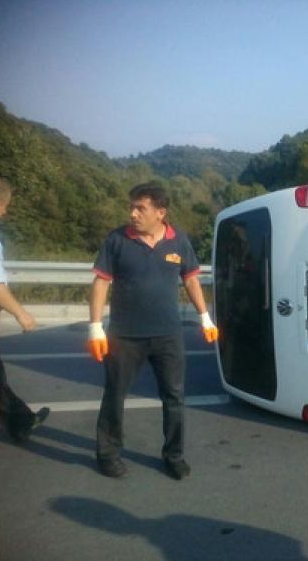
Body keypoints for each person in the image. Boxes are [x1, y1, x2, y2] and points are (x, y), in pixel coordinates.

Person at [87, 182, 218, 480]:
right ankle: (107, 454)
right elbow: (100, 283)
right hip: (124, 335)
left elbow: (192, 280)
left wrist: (205, 317)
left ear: (160, 212)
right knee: (115, 395)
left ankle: (174, 455)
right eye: (131, 207)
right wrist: (95, 327)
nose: (133, 213)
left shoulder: (179, 242)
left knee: (174, 397)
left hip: (167, 335)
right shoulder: (117, 240)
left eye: (140, 208)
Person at [0, 176, 50, 442]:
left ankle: (20, 420)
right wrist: (20, 312)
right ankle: (20, 421)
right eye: (5, 206)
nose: (6, 211)